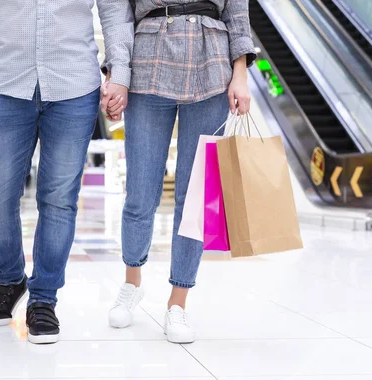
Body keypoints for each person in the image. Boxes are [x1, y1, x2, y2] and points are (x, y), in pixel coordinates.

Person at [0, 0, 134, 344]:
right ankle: (10, 280)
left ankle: (43, 298)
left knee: (58, 200)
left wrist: (121, 73)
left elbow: (114, 11)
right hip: (6, 85)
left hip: (74, 87)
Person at [104, 0, 256, 344]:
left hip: (212, 63)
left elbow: (237, 12)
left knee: (196, 198)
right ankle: (132, 282)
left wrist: (241, 73)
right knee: (140, 191)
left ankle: (178, 300)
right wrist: (117, 73)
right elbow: (119, 14)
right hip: (147, 60)